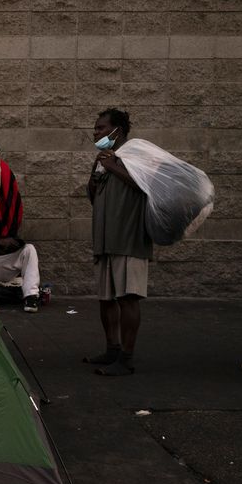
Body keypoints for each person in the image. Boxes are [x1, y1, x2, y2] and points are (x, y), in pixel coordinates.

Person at [85, 108, 152, 376]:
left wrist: (113, 166)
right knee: (106, 299)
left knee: (128, 298)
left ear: (117, 130)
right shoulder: (103, 158)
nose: (96, 133)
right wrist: (96, 174)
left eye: (101, 128)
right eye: (96, 129)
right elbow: (95, 196)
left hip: (128, 238)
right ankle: (111, 349)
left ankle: (126, 358)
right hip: (105, 239)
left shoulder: (136, 154)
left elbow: (145, 186)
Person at [0, 159, 41, 313]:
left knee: (29, 250)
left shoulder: (10, 197)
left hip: (7, 260)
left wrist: (9, 238)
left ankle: (31, 297)